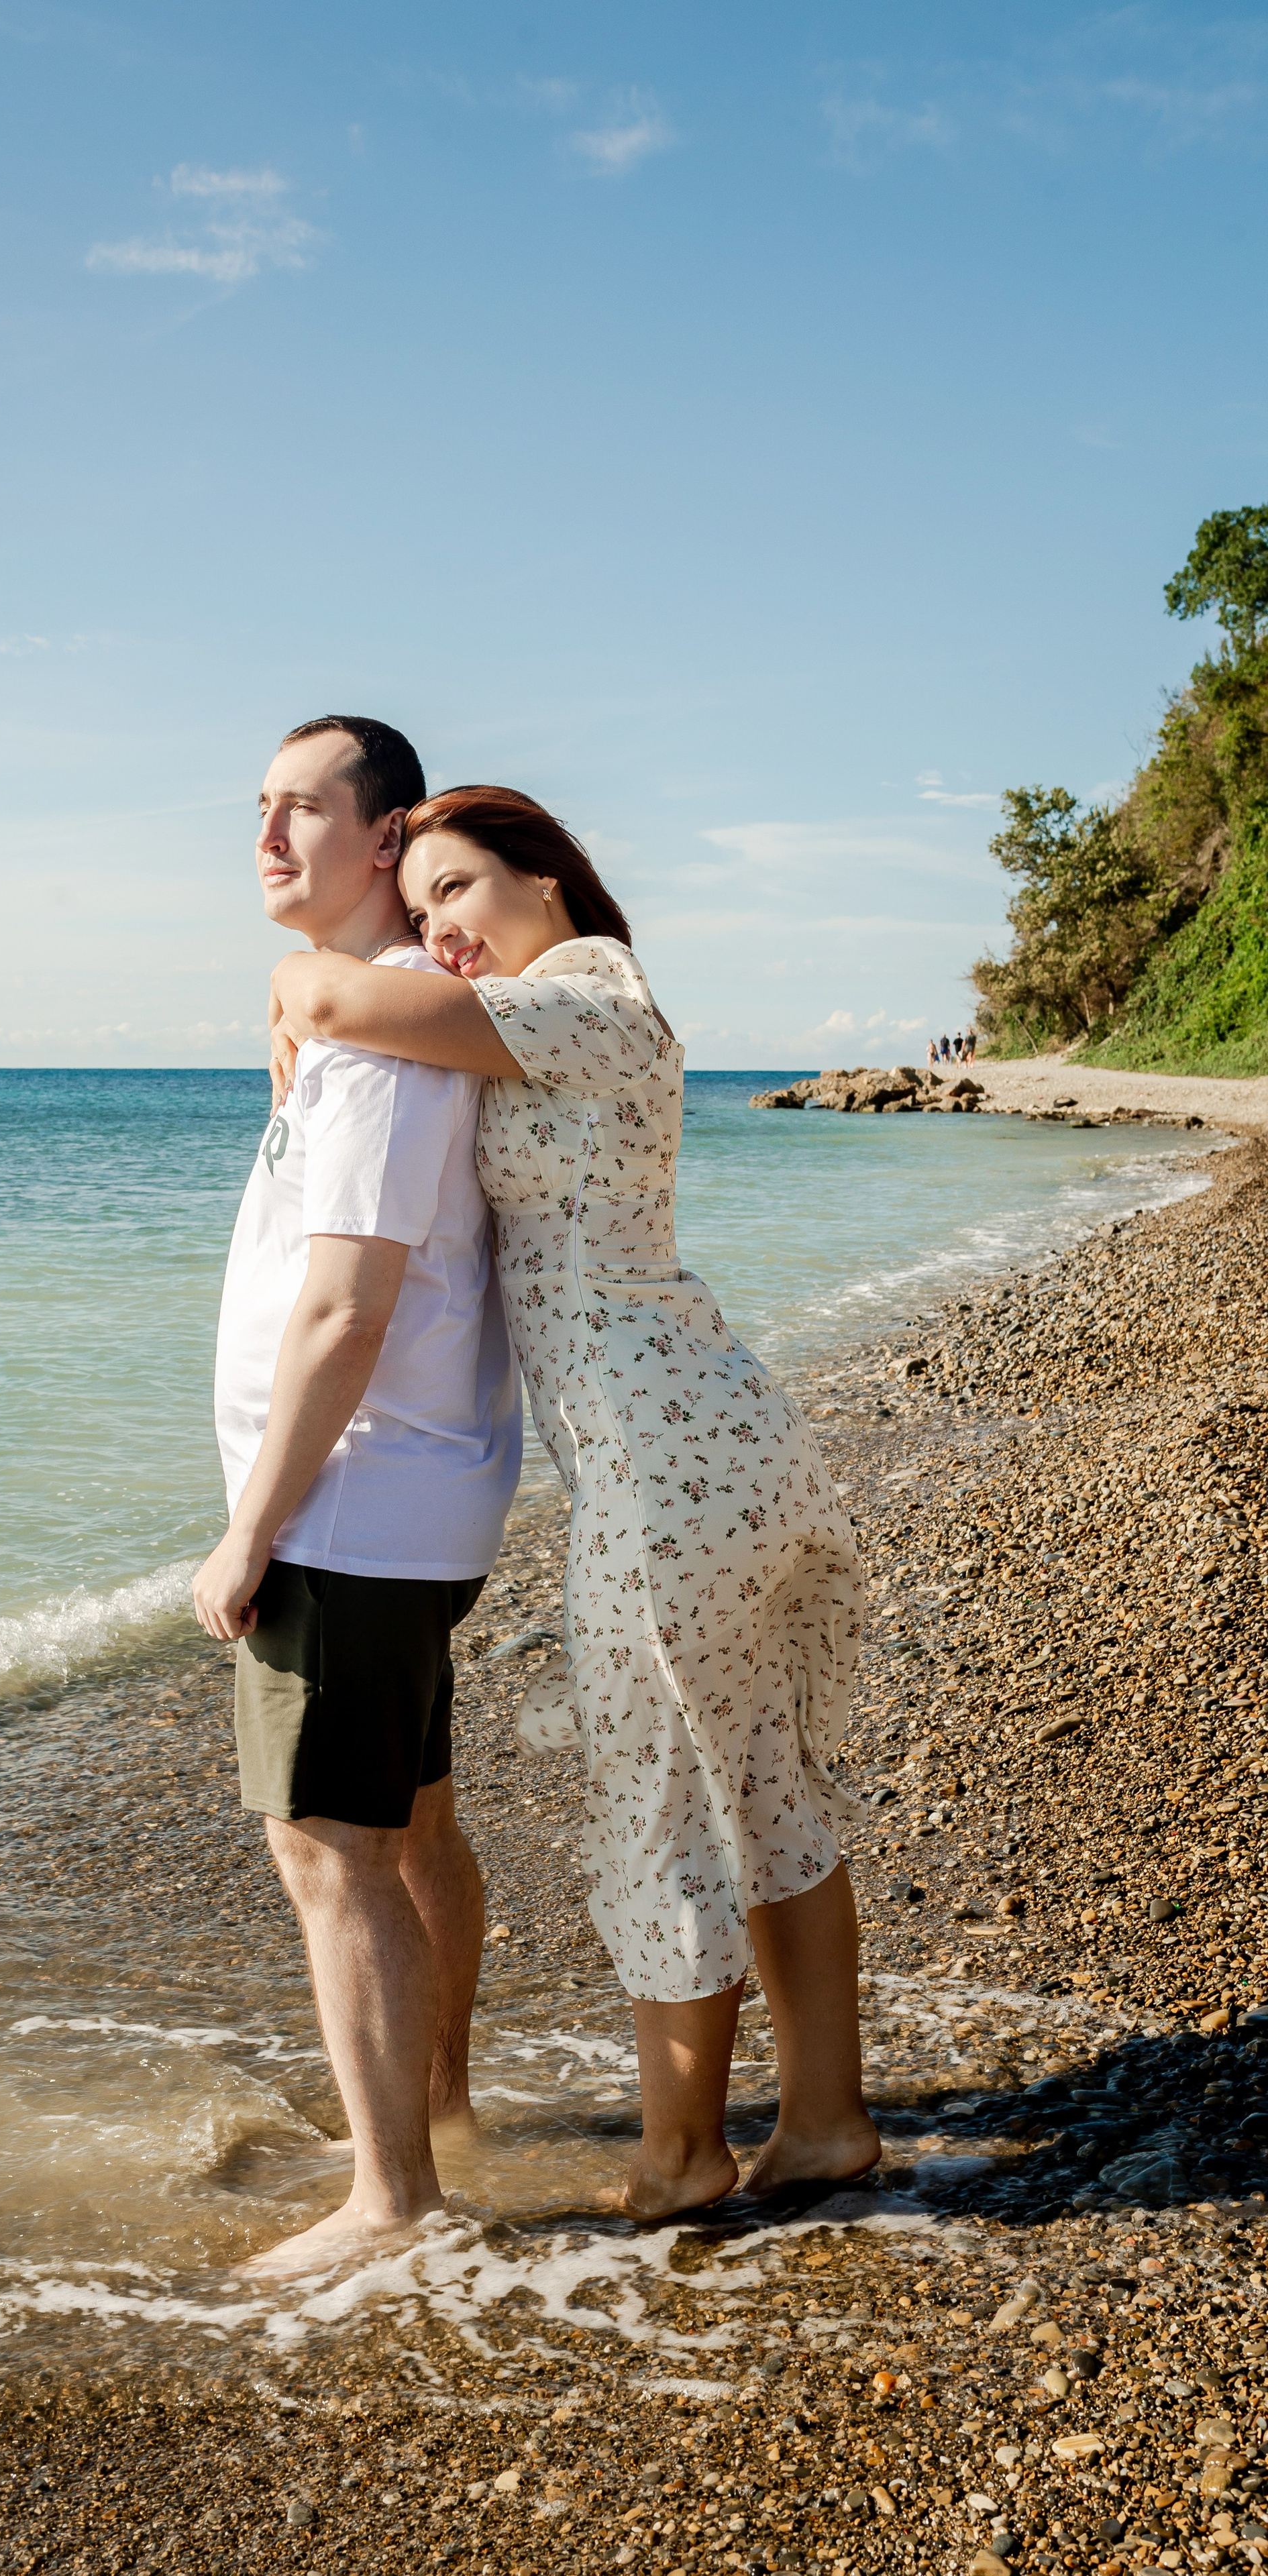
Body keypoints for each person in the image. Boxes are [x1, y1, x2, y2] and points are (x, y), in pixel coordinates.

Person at [270, 788, 877, 2216]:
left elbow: (340, 997)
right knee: (766, 1791)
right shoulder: (579, 1007)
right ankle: (823, 2122)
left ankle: (680, 2158)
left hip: (664, 1475)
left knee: (661, 1806)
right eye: (420, 910)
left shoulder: (583, 997)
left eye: (461, 890)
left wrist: (300, 980)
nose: (441, 931)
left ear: (549, 882)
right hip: (714, 1450)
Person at [193, 718, 521, 2274]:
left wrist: (250, 1528)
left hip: (351, 1510)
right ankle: (432, 2113)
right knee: (407, 1827)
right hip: (396, 1502)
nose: (265, 834)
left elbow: (347, 1309)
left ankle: (393, 2201)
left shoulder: (385, 1048)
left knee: (327, 1845)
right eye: (256, 807)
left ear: (384, 839)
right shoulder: (363, 1021)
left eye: (301, 809)